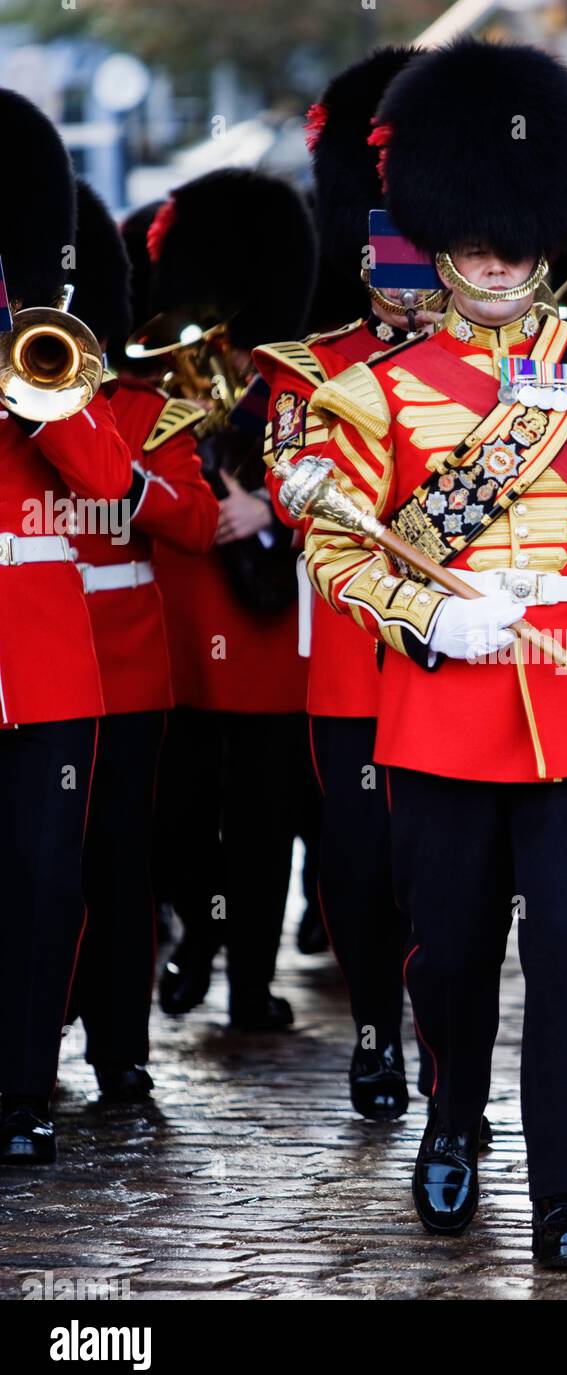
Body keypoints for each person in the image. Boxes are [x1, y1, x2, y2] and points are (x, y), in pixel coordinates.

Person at [287, 38, 567, 1268]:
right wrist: (430, 617)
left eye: (516, 236)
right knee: (448, 947)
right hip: (445, 703)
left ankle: (564, 1190)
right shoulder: (377, 397)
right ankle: (452, 1117)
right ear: (437, 233)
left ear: (547, 230)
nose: (498, 259)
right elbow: (339, 559)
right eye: (475, 236)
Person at [255, 47, 441, 1119]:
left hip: (458, 658)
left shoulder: (503, 370)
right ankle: (376, 1034)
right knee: (363, 871)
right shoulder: (311, 370)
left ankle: (442, 1051)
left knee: (447, 881)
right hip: (355, 666)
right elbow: (294, 488)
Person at [142, 170, 317, 1030]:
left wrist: (268, 508)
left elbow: (338, 482)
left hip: (266, 639)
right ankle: (200, 939)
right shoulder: (169, 384)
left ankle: (250, 981)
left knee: (262, 822)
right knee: (177, 814)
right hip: (182, 632)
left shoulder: (301, 389)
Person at [0, 92, 132, 1163]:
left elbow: (107, 484)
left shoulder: (47, 357)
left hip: (43, 664)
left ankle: (22, 1087)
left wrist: (32, 390)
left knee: (45, 881)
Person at [65, 180, 217, 1102]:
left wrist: (116, 476)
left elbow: (196, 523)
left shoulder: (143, 410)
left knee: (120, 866)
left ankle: (120, 1043)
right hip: (27, 669)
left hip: (120, 673)